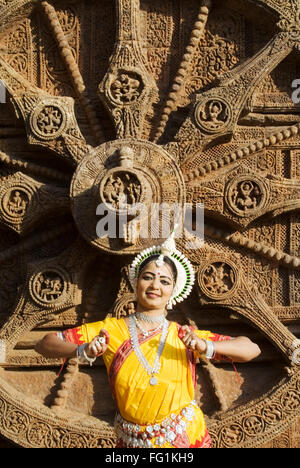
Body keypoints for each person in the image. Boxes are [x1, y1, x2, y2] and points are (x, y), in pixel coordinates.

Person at [35, 230, 261, 448]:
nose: (155, 286)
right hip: (132, 443)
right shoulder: (110, 330)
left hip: (186, 439)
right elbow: (44, 344)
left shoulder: (182, 335)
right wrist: (83, 350)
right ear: (136, 283)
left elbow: (251, 349)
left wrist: (205, 346)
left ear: (173, 290)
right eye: (148, 277)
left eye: (164, 281)